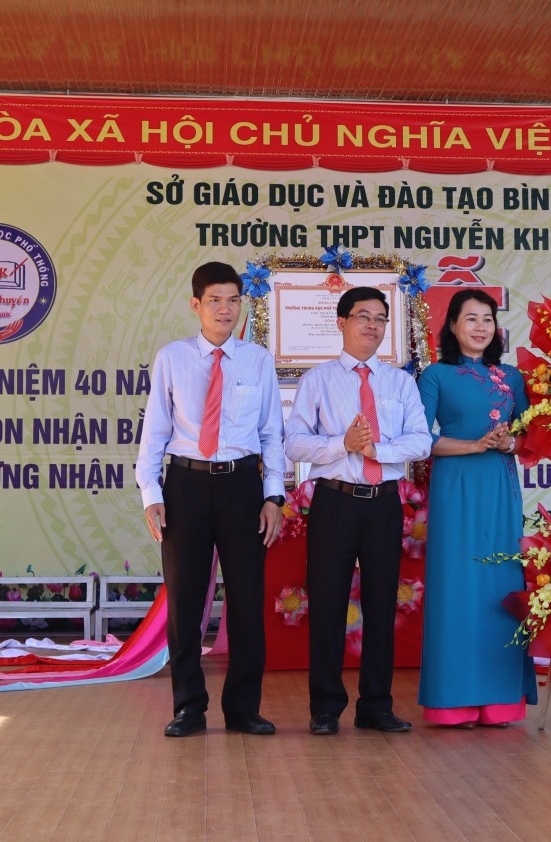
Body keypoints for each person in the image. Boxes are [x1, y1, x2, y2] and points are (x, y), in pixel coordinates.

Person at [136, 261, 285, 738]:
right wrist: (151, 493)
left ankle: (243, 709)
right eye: (215, 300)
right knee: (185, 602)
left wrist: (274, 496)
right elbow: (154, 432)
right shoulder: (172, 358)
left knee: (247, 601)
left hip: (243, 488)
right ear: (195, 304)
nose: (225, 309)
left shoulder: (257, 360)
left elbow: (272, 433)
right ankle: (188, 708)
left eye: (233, 300)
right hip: (186, 486)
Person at [285, 286, 432, 736]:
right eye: (363, 316)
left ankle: (376, 706)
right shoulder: (318, 380)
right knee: (327, 604)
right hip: (334, 501)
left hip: (384, 502)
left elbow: (421, 441)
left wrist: (378, 451)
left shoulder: (399, 382)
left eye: (380, 318)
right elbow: (294, 443)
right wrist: (341, 444)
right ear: (341, 323)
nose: (372, 325)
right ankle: (326, 708)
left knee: (382, 605)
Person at [415, 290, 538, 728]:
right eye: (471, 318)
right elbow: (419, 439)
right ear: (452, 325)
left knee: (500, 582)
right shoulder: (436, 375)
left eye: (487, 318)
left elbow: (531, 437)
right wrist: (473, 445)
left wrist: (508, 443)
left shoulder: (512, 377)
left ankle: (500, 701)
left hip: (500, 488)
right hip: (456, 486)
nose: (481, 327)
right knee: (457, 585)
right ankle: (453, 702)